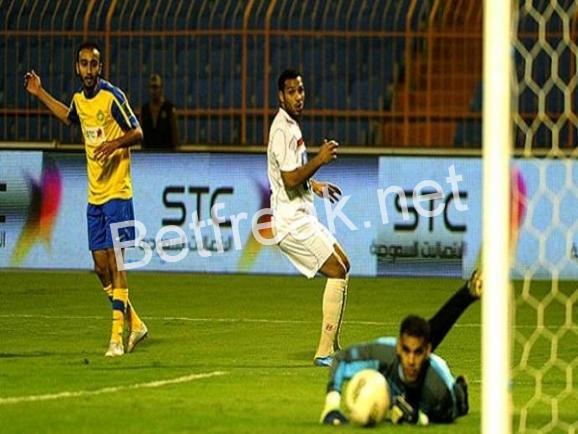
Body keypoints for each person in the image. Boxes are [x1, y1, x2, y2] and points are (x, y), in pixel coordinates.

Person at [24, 42, 148, 357]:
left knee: (117, 262)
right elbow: (69, 117)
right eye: (84, 64)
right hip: (95, 195)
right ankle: (135, 323)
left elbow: (138, 132)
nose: (89, 70)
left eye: (94, 64)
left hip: (118, 192)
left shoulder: (112, 97)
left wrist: (114, 144)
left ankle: (116, 338)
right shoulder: (80, 101)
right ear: (77, 68)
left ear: (100, 67)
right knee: (100, 267)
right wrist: (40, 93)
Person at [320, 270, 483, 425]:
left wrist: (415, 416)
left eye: (417, 352)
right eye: (406, 350)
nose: (411, 360)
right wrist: (331, 407)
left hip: (446, 388)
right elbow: (341, 359)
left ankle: (461, 388)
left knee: (460, 403)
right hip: (403, 384)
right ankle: (467, 293)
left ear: (427, 352)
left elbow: (439, 415)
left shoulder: (439, 392)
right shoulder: (382, 353)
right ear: (398, 347)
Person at [267, 69, 350, 367]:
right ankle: (324, 352)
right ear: (281, 96)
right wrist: (319, 160)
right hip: (291, 223)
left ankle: (333, 346)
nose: (298, 97)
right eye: (291, 92)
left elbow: (292, 173)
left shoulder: (291, 127)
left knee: (344, 264)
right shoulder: (282, 130)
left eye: (300, 90)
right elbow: (289, 180)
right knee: (336, 270)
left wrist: (314, 184)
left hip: (303, 215)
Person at [140, 73, 179, 150]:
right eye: (151, 87)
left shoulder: (169, 109)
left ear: (161, 88)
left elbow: (175, 137)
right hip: (149, 153)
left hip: (166, 153)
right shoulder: (144, 110)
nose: (153, 91)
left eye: (156, 87)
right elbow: (142, 136)